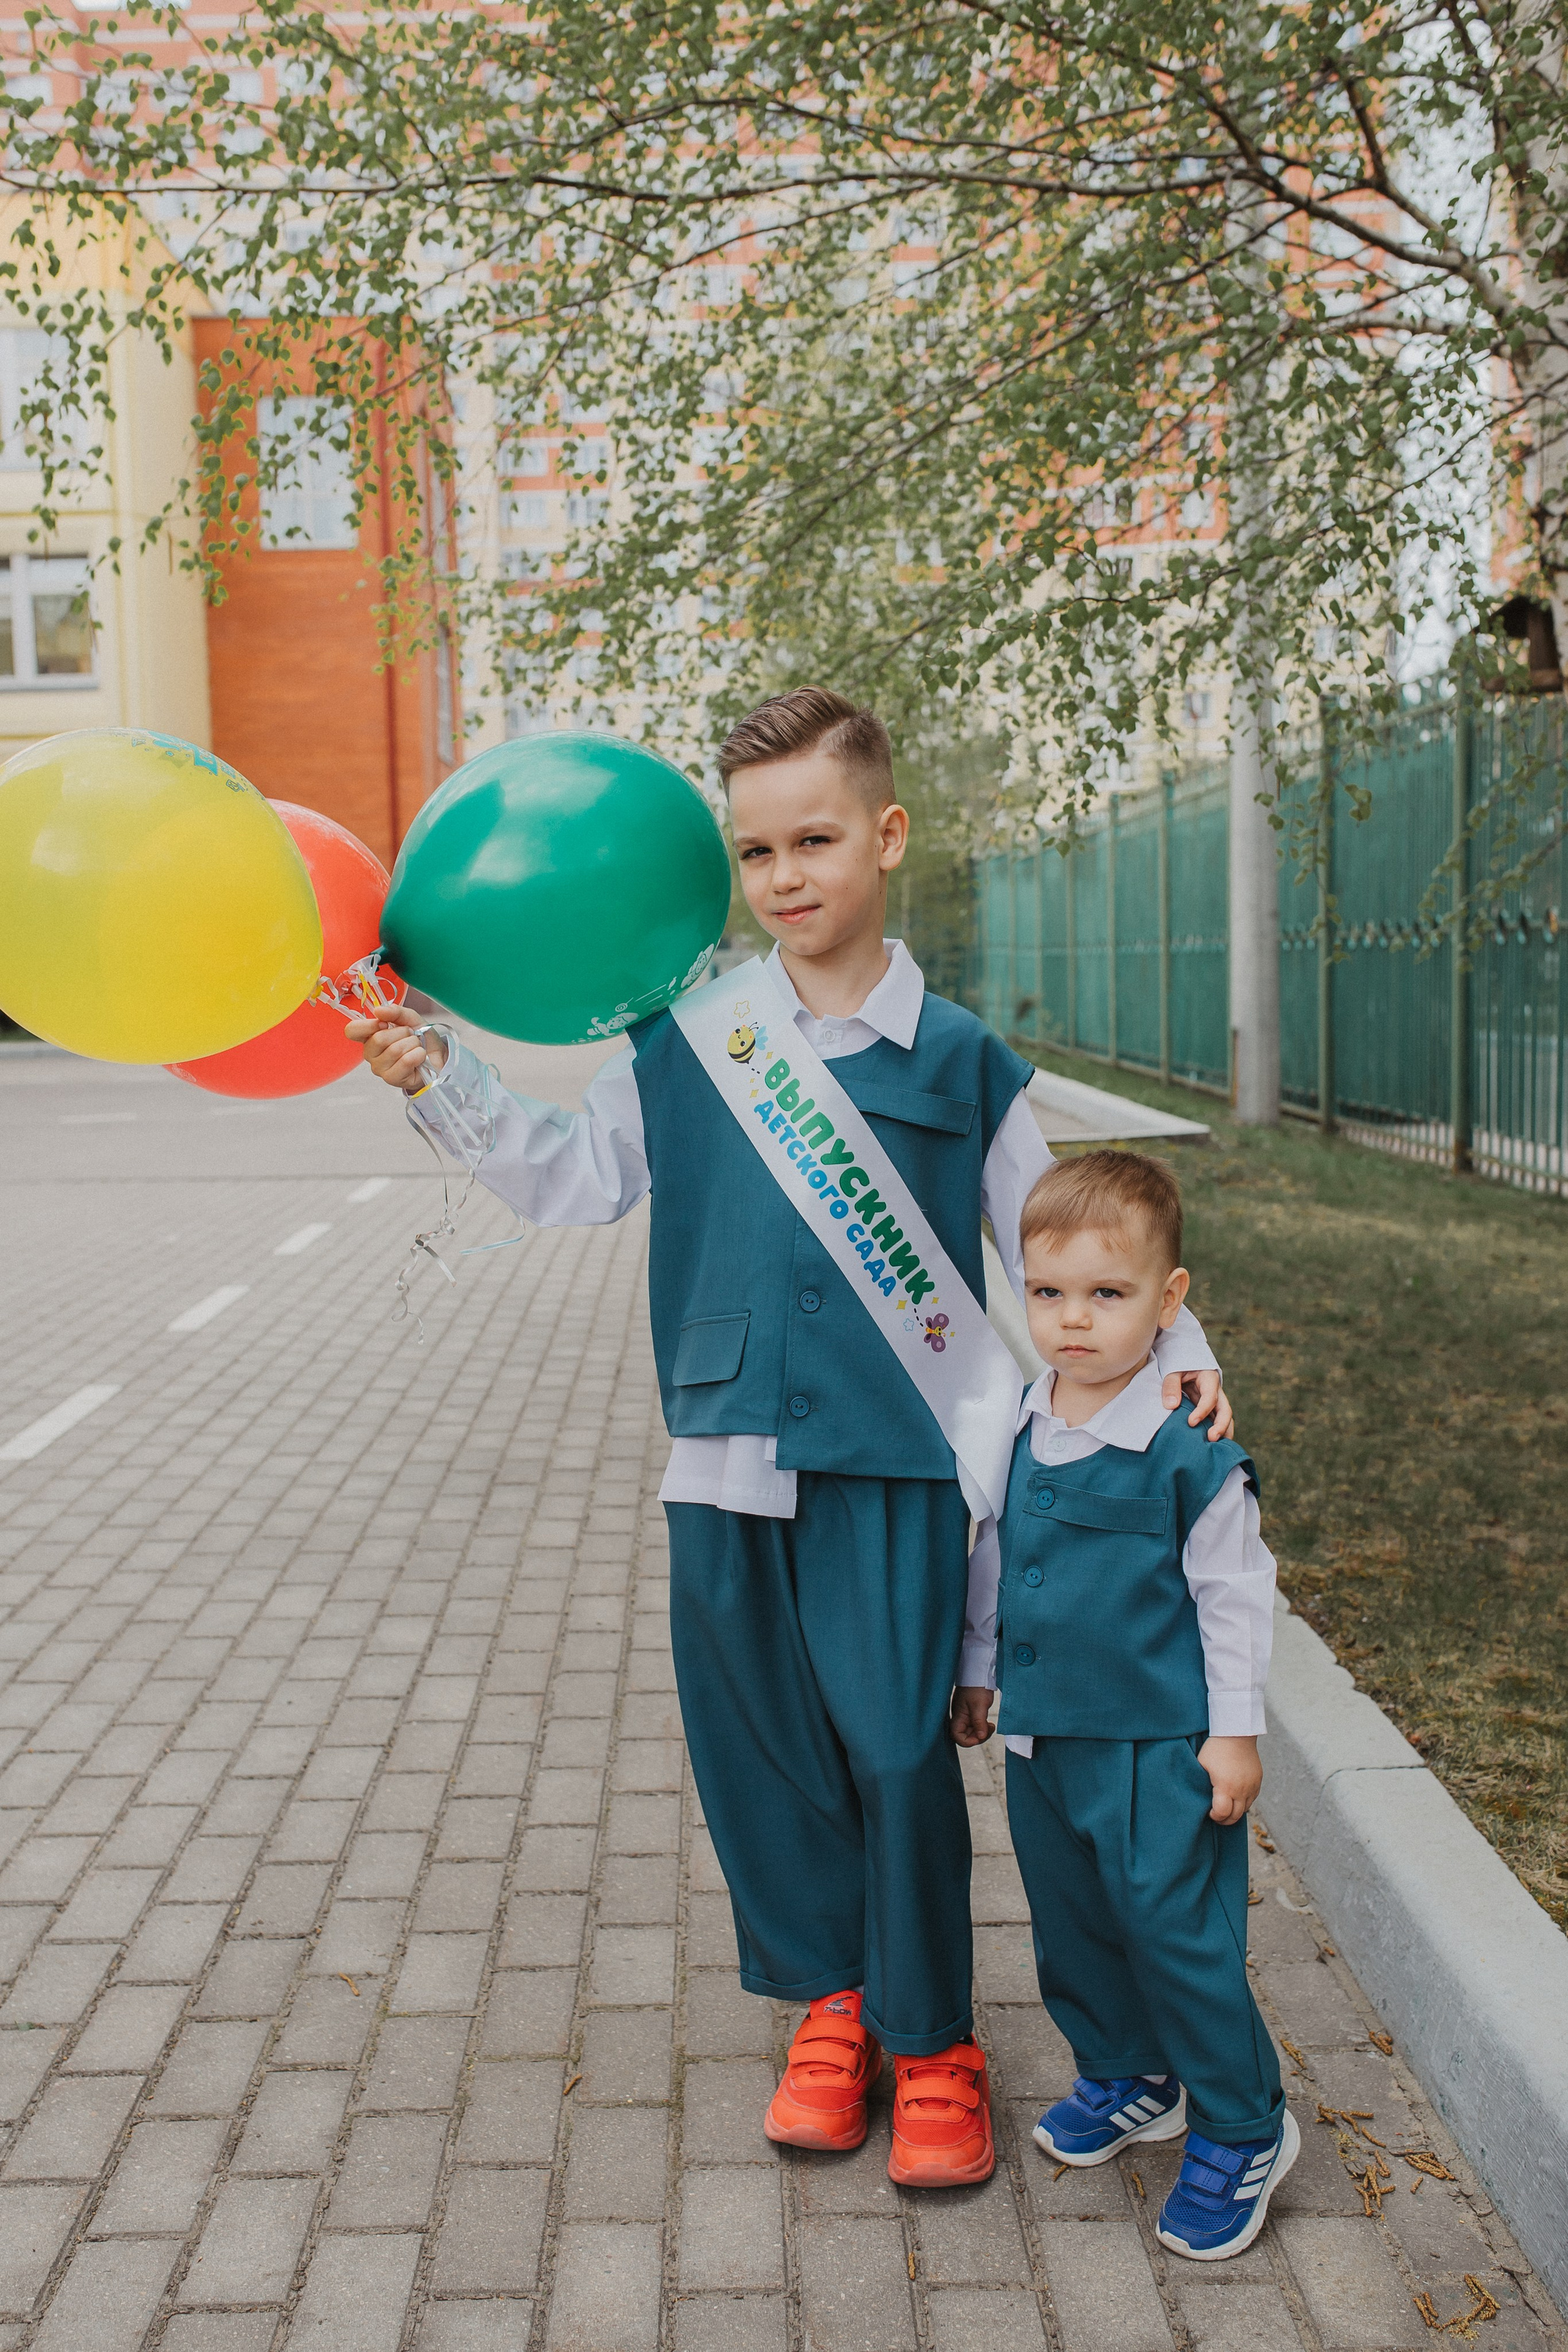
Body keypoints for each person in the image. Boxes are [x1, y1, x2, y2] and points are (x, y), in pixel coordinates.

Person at [349, 687, 1231, 2187]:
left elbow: (1062, 1243)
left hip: (895, 1464)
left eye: (813, 840)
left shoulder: (958, 1058)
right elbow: (575, 1180)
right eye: (755, 853)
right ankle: (831, 2003)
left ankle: (931, 2036)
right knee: (759, 1748)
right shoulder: (689, 1038)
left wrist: (1184, 1358)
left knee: (894, 1750)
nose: (784, 878)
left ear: (885, 836)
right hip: (722, 1455)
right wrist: (443, 1077)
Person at [950, 1148, 1295, 2256]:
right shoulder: (1020, 1421)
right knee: (1075, 1926)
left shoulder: (1189, 1449)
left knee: (1176, 1934)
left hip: (1156, 1749)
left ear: (1169, 1299)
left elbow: (1235, 1595)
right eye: (1048, 1292)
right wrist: (978, 1666)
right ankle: (1130, 2073)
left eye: (1108, 1293)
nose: (1074, 1320)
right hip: (1044, 1743)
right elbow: (994, 1556)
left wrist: (1234, 1735)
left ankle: (1243, 2123)